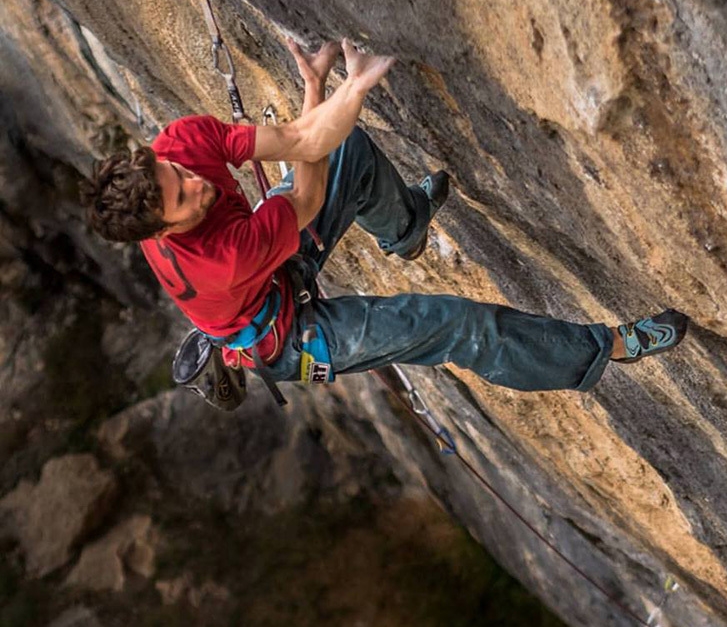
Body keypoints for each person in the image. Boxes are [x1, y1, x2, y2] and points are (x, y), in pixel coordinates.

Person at [82, 39, 688, 405]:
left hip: (269, 271)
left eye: (177, 172)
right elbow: (309, 192)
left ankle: (406, 228)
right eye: (183, 198)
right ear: (161, 232)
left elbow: (299, 138)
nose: (198, 183)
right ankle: (604, 347)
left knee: (351, 147)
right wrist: (356, 85)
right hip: (288, 335)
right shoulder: (218, 263)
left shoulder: (180, 146)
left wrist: (316, 85)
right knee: (454, 325)